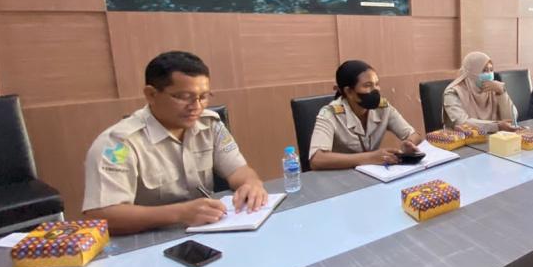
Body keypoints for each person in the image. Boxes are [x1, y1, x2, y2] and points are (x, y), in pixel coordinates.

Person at [83, 51, 268, 235]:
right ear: (151, 94)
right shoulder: (118, 144)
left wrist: (251, 183)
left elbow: (238, 169)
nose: (196, 106)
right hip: (147, 241)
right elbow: (101, 215)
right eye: (184, 97)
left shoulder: (210, 124)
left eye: (203, 96)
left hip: (209, 229)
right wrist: (179, 214)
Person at [309, 60, 423, 170]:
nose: (375, 90)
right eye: (367, 85)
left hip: (373, 174)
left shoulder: (383, 108)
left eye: (376, 84)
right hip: (340, 176)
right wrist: (370, 158)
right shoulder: (330, 114)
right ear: (349, 91)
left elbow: (414, 135)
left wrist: (409, 144)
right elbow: (317, 160)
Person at [442, 51, 518, 133]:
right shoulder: (452, 93)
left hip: (493, 138)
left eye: (491, 70)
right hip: (462, 139)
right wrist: (496, 126)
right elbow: (462, 123)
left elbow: (512, 119)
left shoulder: (494, 88)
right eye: (484, 70)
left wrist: (502, 93)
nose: (489, 74)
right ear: (471, 72)